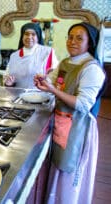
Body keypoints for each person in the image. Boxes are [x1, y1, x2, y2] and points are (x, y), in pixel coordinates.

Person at [33, 22, 105, 203]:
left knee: (67, 167)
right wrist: (42, 81)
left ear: (90, 43)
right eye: (70, 37)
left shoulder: (92, 69)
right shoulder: (66, 62)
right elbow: (52, 81)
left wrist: (53, 90)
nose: (72, 41)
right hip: (61, 121)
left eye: (79, 38)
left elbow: (83, 104)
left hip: (78, 127)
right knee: (56, 164)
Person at [4, 22, 58, 88]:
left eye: (33, 34)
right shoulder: (14, 56)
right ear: (22, 37)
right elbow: (7, 78)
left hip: (40, 95)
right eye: (26, 34)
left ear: (38, 37)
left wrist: (45, 79)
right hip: (18, 95)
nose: (29, 37)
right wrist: (9, 83)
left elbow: (55, 77)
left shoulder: (48, 52)